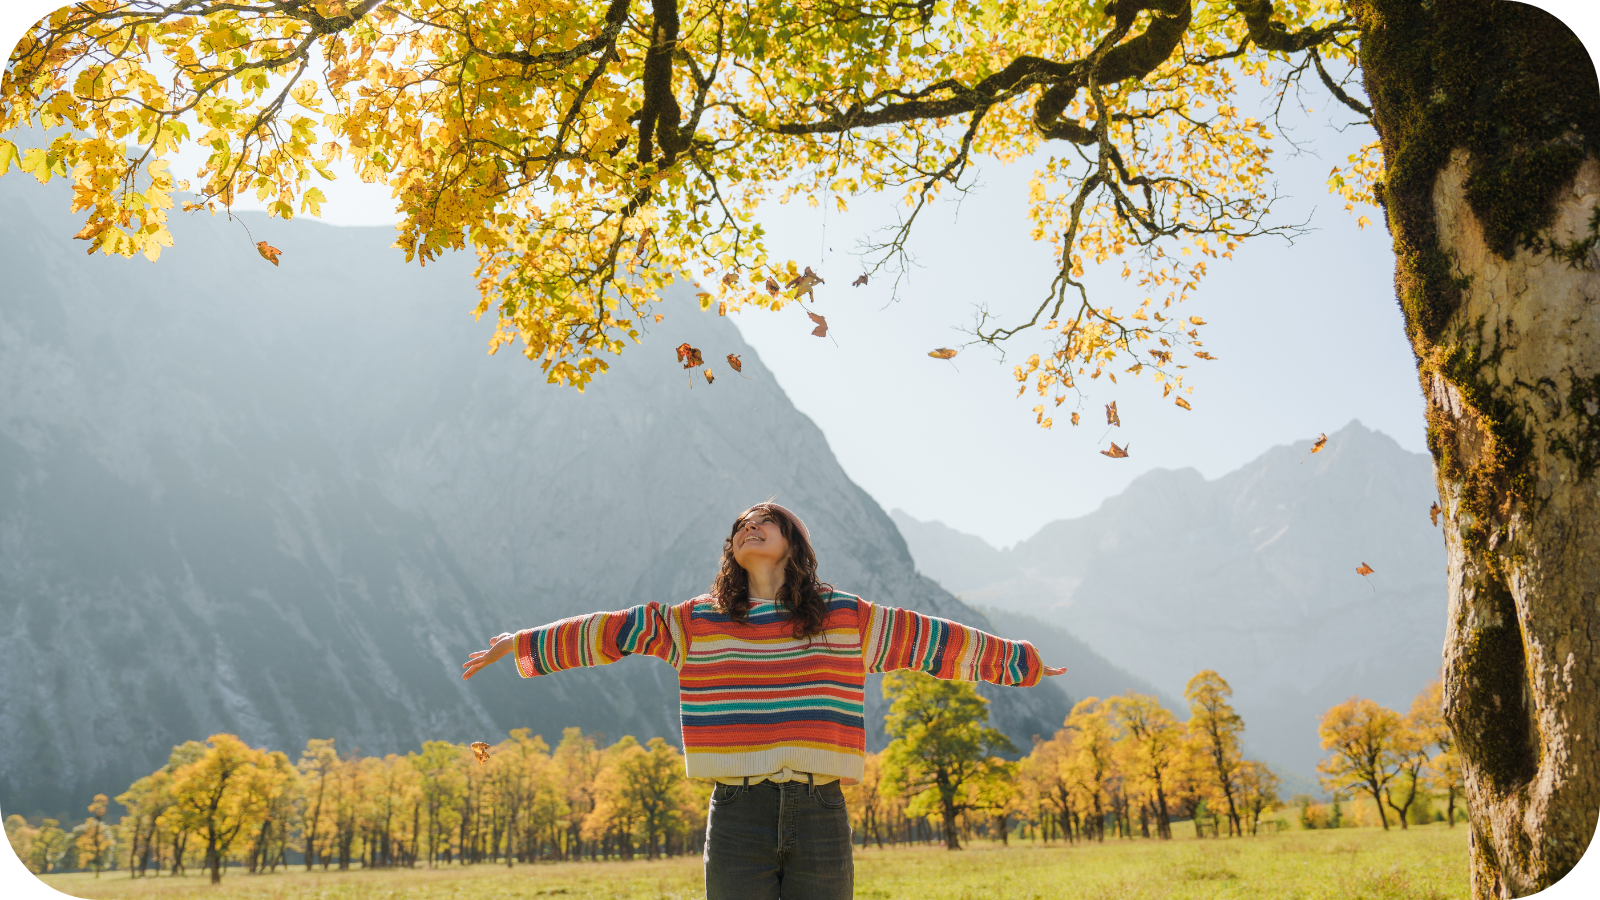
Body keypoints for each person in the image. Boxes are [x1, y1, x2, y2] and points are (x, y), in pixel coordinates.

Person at [461, 501, 1065, 899]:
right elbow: (611, 631)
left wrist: (1020, 661)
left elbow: (933, 640)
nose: (748, 526)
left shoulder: (844, 616)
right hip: (737, 816)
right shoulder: (696, 622)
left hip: (820, 811)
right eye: (740, 525)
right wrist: (523, 642)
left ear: (792, 541)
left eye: (764, 520)